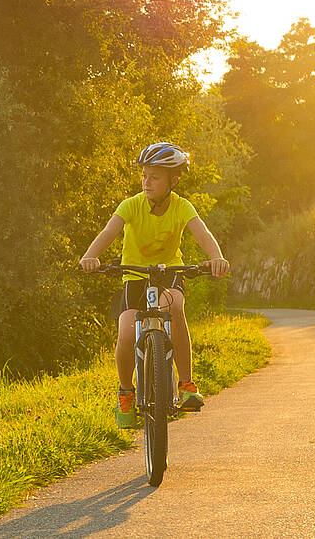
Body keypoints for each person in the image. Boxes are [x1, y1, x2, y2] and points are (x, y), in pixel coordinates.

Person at [79, 142, 231, 427]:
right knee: (126, 331)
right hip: (134, 276)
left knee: (173, 306)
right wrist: (91, 257)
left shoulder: (182, 206)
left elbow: (203, 234)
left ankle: (186, 384)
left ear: (173, 181)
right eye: (144, 176)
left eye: (155, 177)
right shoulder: (132, 205)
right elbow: (109, 231)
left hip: (168, 272)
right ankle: (125, 392)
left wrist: (217, 257)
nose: (147, 182)